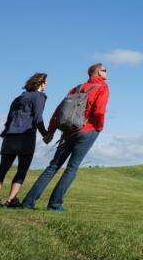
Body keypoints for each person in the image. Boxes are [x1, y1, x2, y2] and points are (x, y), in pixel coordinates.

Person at [21, 63, 110, 211]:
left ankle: (28, 202)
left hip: (68, 131)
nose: (106, 73)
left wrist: (51, 130)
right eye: (105, 70)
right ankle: (55, 204)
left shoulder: (76, 88)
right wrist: (99, 128)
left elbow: (59, 111)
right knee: (72, 167)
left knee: (53, 166)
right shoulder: (103, 88)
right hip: (87, 131)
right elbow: (99, 111)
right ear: (98, 73)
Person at [0, 72, 48, 208]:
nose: (47, 85)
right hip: (25, 137)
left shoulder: (18, 98)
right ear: (41, 83)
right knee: (22, 169)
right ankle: (11, 200)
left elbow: (9, 119)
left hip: (10, 135)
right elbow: (38, 118)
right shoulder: (39, 97)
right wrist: (45, 133)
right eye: (46, 82)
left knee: (3, 168)